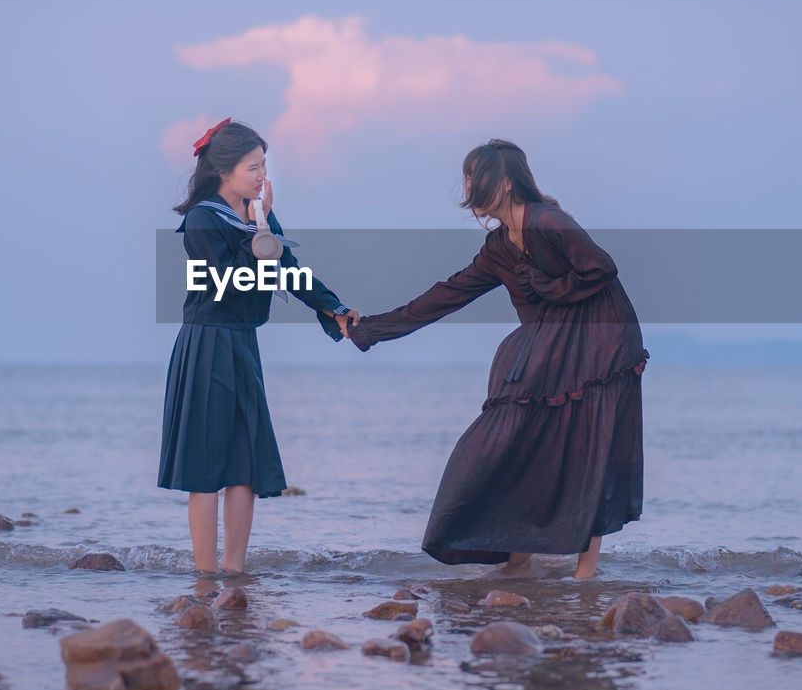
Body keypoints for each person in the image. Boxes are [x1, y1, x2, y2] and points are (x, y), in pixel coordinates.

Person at [347, 139, 647, 579]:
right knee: (511, 437)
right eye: (467, 176)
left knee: (588, 444)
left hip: (601, 336)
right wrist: (369, 329)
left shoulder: (548, 221)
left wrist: (548, 288)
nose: (468, 185)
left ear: (506, 183)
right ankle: (518, 559)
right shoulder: (499, 248)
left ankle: (586, 571)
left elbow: (601, 267)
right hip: (551, 339)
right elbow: (446, 295)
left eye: (476, 176)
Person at [161, 118, 359, 574]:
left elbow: (289, 269)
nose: (261, 175)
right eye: (253, 166)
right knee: (205, 468)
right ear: (225, 170)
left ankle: (235, 573)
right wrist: (258, 233)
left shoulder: (256, 217)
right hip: (207, 343)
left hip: (243, 344)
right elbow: (224, 279)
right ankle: (205, 576)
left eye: (264, 165)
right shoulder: (201, 219)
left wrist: (333, 308)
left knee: (243, 464)